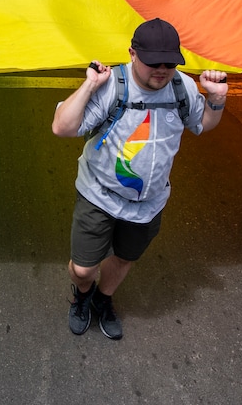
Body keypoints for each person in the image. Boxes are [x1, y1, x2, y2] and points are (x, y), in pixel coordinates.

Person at [52, 18, 228, 340]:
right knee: (82, 269)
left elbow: (203, 124)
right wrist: (90, 84)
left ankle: (103, 300)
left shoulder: (182, 87)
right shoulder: (112, 86)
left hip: (149, 203)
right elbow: (62, 128)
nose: (162, 70)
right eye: (152, 62)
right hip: (99, 195)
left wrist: (216, 99)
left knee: (124, 258)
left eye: (169, 63)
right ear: (132, 54)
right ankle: (82, 295)